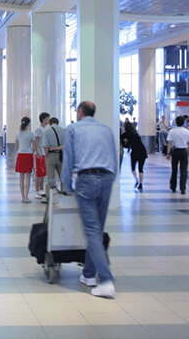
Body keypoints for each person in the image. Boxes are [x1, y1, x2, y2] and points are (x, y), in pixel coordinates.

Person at [61, 101, 118, 298]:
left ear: (80, 112)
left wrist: (66, 187)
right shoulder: (106, 129)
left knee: (92, 231)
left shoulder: (73, 129)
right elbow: (115, 156)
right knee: (98, 230)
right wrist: (112, 180)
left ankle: (106, 280)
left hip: (86, 179)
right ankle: (89, 275)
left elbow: (68, 159)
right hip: (107, 177)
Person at [167, 116, 189, 194]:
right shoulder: (187, 131)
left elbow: (169, 143)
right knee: (184, 170)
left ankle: (173, 186)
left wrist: (168, 153)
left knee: (174, 170)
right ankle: (182, 188)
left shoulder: (172, 131)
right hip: (184, 151)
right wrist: (186, 149)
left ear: (176, 122)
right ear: (183, 122)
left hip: (175, 151)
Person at [123, 119, 147, 191]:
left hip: (135, 153)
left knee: (133, 168)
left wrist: (125, 144)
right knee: (141, 169)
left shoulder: (126, 134)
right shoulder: (136, 133)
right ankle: (141, 184)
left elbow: (124, 142)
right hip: (143, 152)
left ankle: (136, 180)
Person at [14, 117, 35, 203]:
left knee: (21, 177)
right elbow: (34, 147)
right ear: (29, 124)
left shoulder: (18, 134)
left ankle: (22, 196)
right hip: (28, 155)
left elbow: (16, 147)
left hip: (20, 155)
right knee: (28, 177)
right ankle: (26, 196)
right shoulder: (31, 134)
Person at [42, 116, 64, 193]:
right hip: (62, 156)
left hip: (50, 156)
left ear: (50, 124)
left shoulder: (47, 132)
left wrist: (46, 157)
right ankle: (63, 197)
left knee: (50, 179)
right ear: (58, 123)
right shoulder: (64, 130)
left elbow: (46, 147)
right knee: (63, 178)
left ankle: (50, 198)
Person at [33, 112, 50, 200]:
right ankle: (37, 191)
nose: (48, 120)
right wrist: (36, 152)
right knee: (38, 173)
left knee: (43, 173)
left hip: (44, 154)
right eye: (47, 118)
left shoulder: (45, 129)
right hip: (39, 153)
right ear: (43, 119)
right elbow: (35, 141)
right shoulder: (38, 129)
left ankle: (41, 189)